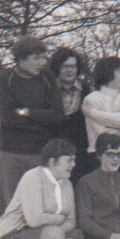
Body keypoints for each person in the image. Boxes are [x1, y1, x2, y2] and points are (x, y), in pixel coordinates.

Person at [0, 138, 85, 239]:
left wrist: (57, 226)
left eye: (74, 160)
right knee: (55, 234)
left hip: (41, 236)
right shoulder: (33, 177)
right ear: (53, 161)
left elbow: (72, 222)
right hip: (14, 236)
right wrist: (58, 221)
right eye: (69, 161)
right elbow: (34, 219)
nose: (73, 165)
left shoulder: (67, 184)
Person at [0, 35, 66, 205]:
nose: (42, 62)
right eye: (36, 58)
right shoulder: (6, 78)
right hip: (11, 153)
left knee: (40, 203)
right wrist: (42, 119)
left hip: (39, 153)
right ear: (21, 59)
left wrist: (27, 112)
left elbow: (57, 115)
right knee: (14, 205)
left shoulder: (47, 77)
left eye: (44, 58)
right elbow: (9, 118)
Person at [47, 47, 93, 181]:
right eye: (65, 66)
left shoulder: (85, 88)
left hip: (81, 149)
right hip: (56, 149)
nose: (69, 70)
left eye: (73, 66)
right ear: (57, 67)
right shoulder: (49, 88)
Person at [82, 56, 120, 156]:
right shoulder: (91, 99)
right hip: (100, 155)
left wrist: (93, 113)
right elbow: (105, 136)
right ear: (108, 74)